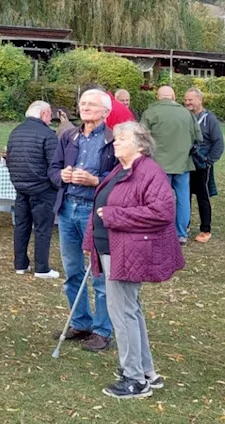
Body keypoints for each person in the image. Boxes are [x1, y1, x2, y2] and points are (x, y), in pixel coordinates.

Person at [84, 122, 183, 399]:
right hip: (112, 249)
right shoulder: (122, 169)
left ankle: (134, 379)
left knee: (123, 312)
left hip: (128, 251)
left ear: (140, 144)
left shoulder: (149, 171)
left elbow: (163, 211)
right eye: (115, 138)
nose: (114, 143)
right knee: (130, 310)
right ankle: (145, 371)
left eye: (121, 139)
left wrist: (115, 216)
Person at [48, 88, 117, 352]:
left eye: (91, 104)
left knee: (99, 274)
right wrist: (62, 176)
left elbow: (122, 177)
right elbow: (52, 170)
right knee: (73, 271)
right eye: (83, 103)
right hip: (67, 209)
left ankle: (102, 330)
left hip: (95, 211)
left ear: (106, 112)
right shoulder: (69, 136)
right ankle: (80, 322)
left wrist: (96, 181)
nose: (85, 108)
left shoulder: (113, 139)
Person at [140, 86, 201, 244]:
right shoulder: (186, 113)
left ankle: (161, 231)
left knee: (160, 199)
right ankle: (181, 233)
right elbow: (196, 137)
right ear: (173, 96)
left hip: (158, 165)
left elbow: (141, 139)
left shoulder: (150, 113)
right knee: (182, 198)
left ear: (158, 97)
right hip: (183, 164)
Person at [6, 101, 60, 278]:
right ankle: (41, 267)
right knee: (43, 228)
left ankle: (20, 264)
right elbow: (54, 164)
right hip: (42, 188)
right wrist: (56, 185)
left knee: (21, 226)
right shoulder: (48, 134)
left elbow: (9, 159)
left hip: (21, 188)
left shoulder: (16, 132)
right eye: (50, 113)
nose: (51, 117)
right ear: (43, 113)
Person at [184, 87, 224, 243]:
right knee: (184, 196)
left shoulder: (209, 119)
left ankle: (205, 229)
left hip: (202, 166)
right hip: (185, 164)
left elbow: (218, 143)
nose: (187, 103)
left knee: (203, 197)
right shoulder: (184, 116)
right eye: (186, 100)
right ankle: (184, 225)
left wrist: (208, 161)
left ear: (199, 100)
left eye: (190, 100)